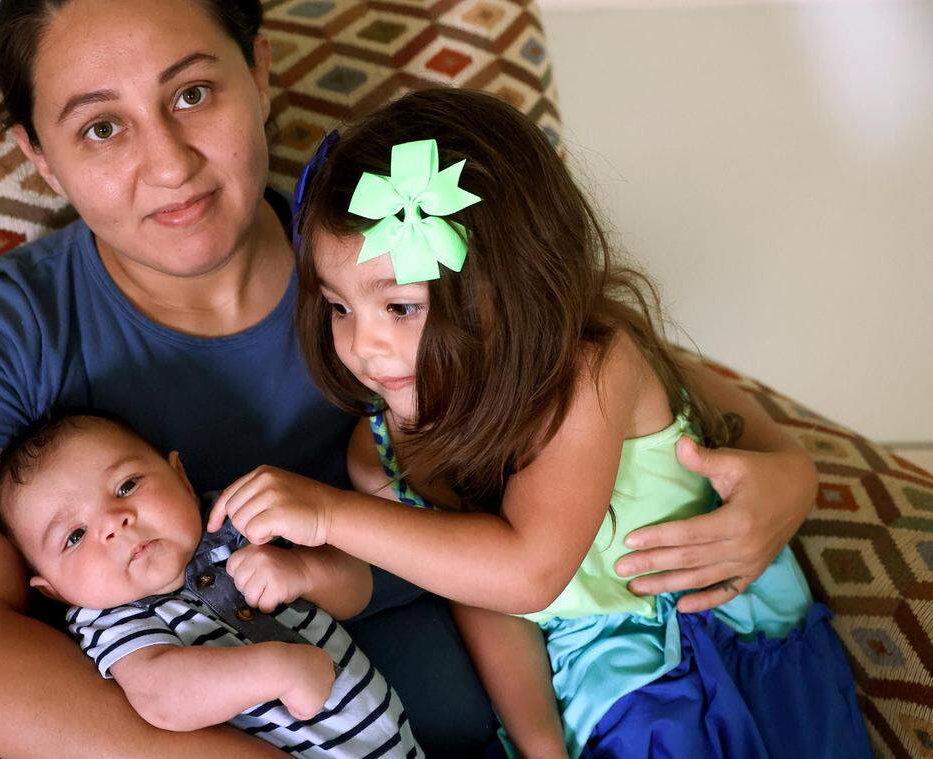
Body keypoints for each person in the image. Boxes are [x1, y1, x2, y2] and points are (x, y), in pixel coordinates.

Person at [0, 0, 826, 755]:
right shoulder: (7, 328)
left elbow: (604, 349)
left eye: (192, 94)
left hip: (587, 692)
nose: (169, 164)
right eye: (102, 127)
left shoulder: (378, 248)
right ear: (38, 153)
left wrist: (788, 469)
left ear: (260, 72)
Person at [206, 88, 871, 758]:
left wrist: (328, 515)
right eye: (339, 307)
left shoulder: (592, 372)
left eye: (400, 307)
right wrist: (539, 743)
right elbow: (484, 594)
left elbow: (527, 572)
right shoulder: (381, 451)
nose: (362, 346)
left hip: (704, 646)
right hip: (588, 677)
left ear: (508, 289)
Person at [0, 409, 420, 756]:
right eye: (74, 536)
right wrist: (275, 671)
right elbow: (161, 696)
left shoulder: (238, 522)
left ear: (180, 476)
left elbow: (356, 591)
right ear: (55, 591)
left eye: (126, 486)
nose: (113, 523)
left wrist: (304, 571)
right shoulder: (112, 619)